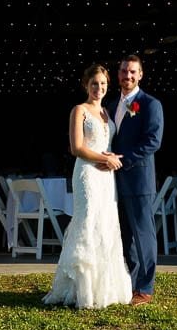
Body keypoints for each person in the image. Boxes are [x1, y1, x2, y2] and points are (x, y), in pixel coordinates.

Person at [42, 64, 134, 309]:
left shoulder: (106, 112)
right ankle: (78, 288)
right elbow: (77, 148)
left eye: (103, 84)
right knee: (87, 221)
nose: (99, 88)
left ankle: (103, 288)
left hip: (106, 178)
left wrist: (110, 157)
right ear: (86, 85)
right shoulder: (79, 110)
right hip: (87, 175)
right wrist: (105, 159)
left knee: (106, 224)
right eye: (95, 84)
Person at [109, 53, 163, 305]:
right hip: (113, 184)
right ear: (117, 74)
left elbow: (153, 141)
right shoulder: (110, 105)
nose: (127, 76)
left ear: (140, 75)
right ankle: (129, 283)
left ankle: (145, 287)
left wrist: (122, 159)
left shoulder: (150, 104)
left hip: (138, 179)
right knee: (126, 236)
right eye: (123, 71)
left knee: (144, 235)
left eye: (132, 72)